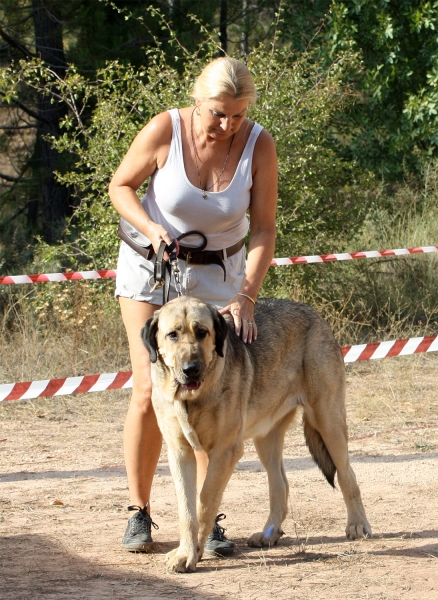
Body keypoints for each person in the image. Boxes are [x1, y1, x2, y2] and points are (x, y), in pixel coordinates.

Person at [108, 56, 278, 555]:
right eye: (218, 114)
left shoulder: (259, 144)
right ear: (197, 101)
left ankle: (206, 519)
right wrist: (150, 225)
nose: (228, 125)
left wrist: (247, 293)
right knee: (148, 386)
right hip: (151, 268)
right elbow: (121, 186)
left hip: (219, 278)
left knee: (212, 392)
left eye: (239, 115)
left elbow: (264, 228)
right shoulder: (165, 127)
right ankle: (139, 513)